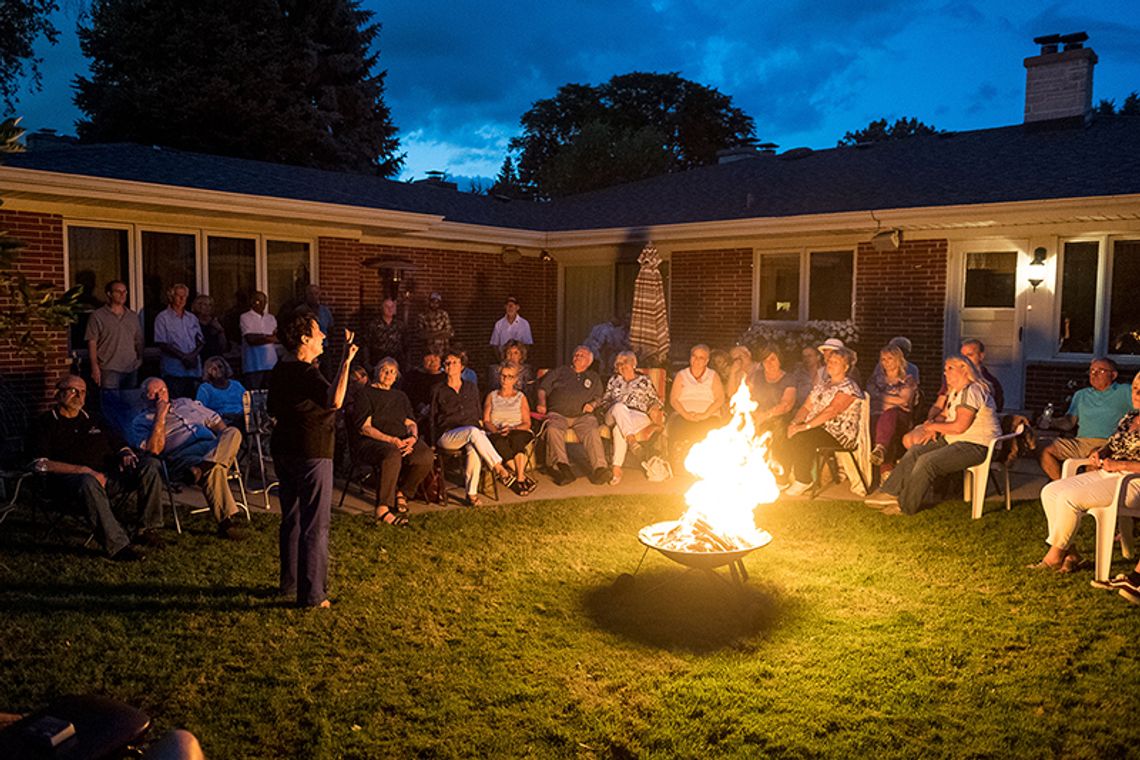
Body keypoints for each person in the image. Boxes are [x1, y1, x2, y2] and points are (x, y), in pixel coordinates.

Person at [268, 316, 358, 608]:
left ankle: (289, 584)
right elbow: (335, 401)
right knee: (315, 525)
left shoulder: (280, 370)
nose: (322, 336)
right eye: (317, 331)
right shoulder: (306, 374)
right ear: (304, 339)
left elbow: (272, 410)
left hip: (284, 450)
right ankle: (312, 595)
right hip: (312, 451)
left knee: (292, 519)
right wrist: (346, 361)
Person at [28, 376, 163, 560]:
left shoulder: (95, 419)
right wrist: (83, 470)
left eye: (82, 391)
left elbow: (119, 443)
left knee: (150, 464)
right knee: (88, 481)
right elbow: (39, 463)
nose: (79, 395)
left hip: (109, 477)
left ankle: (147, 529)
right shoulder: (44, 423)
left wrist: (126, 454)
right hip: (71, 485)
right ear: (57, 394)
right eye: (73, 390)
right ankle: (119, 547)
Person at [867, 353, 1001, 515]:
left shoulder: (972, 391)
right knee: (916, 451)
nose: (945, 373)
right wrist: (930, 425)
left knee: (927, 462)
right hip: (956, 441)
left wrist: (934, 428)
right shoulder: (956, 392)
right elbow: (944, 414)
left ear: (964, 369)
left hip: (977, 445)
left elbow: (959, 426)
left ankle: (906, 506)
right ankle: (889, 492)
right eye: (945, 369)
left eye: (950, 368)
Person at [1034, 373, 1140, 577]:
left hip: (1132, 480)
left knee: (1069, 498)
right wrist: (1101, 453)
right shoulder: (1130, 417)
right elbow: (1113, 443)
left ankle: (1054, 556)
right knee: (1051, 491)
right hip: (1110, 472)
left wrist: (1120, 464)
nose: (1136, 393)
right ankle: (1071, 552)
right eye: (1135, 388)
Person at [131, 377, 246, 540]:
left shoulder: (186, 403)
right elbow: (153, 451)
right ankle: (226, 523)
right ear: (144, 398)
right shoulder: (141, 421)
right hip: (182, 456)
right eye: (153, 393)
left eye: (162, 391)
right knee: (215, 469)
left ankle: (204, 467)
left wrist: (223, 444)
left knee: (232, 432)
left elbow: (216, 421)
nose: (159, 396)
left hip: (210, 447)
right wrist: (160, 416)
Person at [350, 357, 433, 524]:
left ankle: (403, 492)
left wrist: (413, 438)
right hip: (374, 441)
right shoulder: (365, 393)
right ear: (376, 372)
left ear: (396, 377)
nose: (388, 375)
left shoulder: (400, 396)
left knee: (425, 456)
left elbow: (410, 423)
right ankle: (382, 508)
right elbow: (365, 428)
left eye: (392, 372)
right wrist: (391, 440)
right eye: (384, 370)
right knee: (392, 454)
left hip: (401, 439)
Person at [431, 350, 516, 506]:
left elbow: (477, 412)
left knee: (474, 447)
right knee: (473, 432)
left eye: (454, 362)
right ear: (444, 367)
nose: (451, 365)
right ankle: (499, 468)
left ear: (461, 366)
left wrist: (481, 433)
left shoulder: (470, 387)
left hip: (470, 434)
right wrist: (431, 443)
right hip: (447, 435)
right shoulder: (438, 389)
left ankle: (471, 495)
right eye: (447, 363)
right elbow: (432, 417)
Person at [778, 347, 863, 496]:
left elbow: (831, 411)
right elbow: (806, 406)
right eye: (830, 361)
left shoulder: (849, 387)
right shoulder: (823, 385)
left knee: (803, 437)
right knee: (783, 431)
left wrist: (804, 427)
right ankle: (782, 476)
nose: (830, 364)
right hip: (816, 428)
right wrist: (795, 423)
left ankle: (803, 480)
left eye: (836, 362)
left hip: (838, 433)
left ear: (846, 367)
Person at [1039, 357, 1134, 480]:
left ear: (1113, 375)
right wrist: (1049, 422)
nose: (1094, 374)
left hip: (1107, 443)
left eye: (1101, 371)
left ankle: (1080, 493)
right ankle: (1063, 486)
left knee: (1093, 459)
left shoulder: (1125, 391)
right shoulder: (1081, 395)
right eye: (1091, 371)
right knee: (1043, 447)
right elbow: (1069, 423)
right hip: (1080, 442)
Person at [536, 345, 609, 486]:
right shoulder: (560, 371)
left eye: (581, 355)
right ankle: (563, 468)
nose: (577, 357)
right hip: (558, 414)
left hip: (582, 416)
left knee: (592, 431)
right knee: (552, 429)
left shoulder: (593, 377)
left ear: (589, 361)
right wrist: (542, 403)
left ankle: (600, 469)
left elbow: (600, 397)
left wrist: (593, 404)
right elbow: (542, 388)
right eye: (576, 354)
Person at [598, 351, 663, 486]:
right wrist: (612, 407)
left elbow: (656, 400)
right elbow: (604, 401)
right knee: (619, 407)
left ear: (634, 364)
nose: (622, 365)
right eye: (619, 363)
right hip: (614, 413)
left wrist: (654, 408)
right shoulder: (614, 380)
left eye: (625, 362)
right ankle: (633, 443)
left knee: (618, 430)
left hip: (638, 415)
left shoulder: (644, 380)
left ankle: (616, 469)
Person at [921, 338, 1004, 425]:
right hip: (946, 421)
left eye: (969, 355)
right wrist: (930, 421)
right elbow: (939, 405)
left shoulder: (986, 385)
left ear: (981, 356)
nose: (964, 359)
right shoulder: (952, 379)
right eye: (962, 356)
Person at [666, 344, 726, 465]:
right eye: (694, 356)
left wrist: (705, 414)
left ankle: (706, 464)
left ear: (706, 361)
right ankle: (677, 464)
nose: (697, 360)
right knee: (677, 426)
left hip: (708, 415)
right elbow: (673, 399)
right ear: (690, 358)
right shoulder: (681, 375)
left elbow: (720, 399)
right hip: (683, 414)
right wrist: (686, 414)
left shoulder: (713, 375)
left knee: (708, 429)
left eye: (701, 358)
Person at [483, 361, 536, 495]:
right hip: (497, 430)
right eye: (503, 376)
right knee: (499, 442)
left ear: (516, 379)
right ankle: (522, 478)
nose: (505, 379)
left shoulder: (520, 397)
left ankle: (518, 479)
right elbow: (486, 420)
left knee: (518, 439)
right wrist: (496, 430)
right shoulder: (492, 396)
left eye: (510, 376)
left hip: (517, 430)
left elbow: (527, 423)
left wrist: (512, 429)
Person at [867, 344, 919, 470]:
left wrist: (881, 397)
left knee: (889, 414)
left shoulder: (908, 380)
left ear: (898, 359)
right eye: (883, 359)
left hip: (899, 417)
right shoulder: (875, 379)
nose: (886, 362)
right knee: (876, 421)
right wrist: (894, 399)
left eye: (890, 358)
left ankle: (882, 455)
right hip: (877, 415)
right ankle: (883, 462)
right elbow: (869, 395)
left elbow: (905, 401)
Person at [85, 279, 142, 393]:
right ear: (109, 294)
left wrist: (140, 359)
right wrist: (94, 366)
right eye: (118, 291)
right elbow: (92, 342)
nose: (122, 295)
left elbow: (138, 340)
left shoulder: (132, 316)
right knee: (111, 403)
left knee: (129, 403)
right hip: (109, 368)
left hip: (130, 368)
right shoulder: (98, 316)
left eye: (125, 292)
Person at [154, 283, 203, 400]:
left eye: (185, 296)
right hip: (174, 371)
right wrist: (183, 357)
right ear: (171, 297)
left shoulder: (192, 318)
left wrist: (193, 356)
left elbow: (200, 340)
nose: (182, 299)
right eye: (179, 296)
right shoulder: (162, 318)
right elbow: (162, 343)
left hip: (193, 371)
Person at [748, 344, 797, 442]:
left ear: (779, 360)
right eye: (765, 361)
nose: (769, 363)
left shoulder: (789, 379)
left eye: (772, 359)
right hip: (755, 417)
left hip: (777, 420)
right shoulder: (757, 376)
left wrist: (765, 415)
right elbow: (747, 397)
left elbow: (786, 405)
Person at [240, 291, 278, 390]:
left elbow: (278, 337)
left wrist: (262, 337)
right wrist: (270, 338)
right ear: (252, 302)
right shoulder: (245, 317)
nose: (261, 304)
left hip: (271, 363)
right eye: (258, 301)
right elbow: (251, 340)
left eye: (264, 301)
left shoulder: (271, 318)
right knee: (253, 394)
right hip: (253, 364)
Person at [195, 356, 247, 428]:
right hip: (220, 422)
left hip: (242, 419)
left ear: (225, 368)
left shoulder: (236, 385)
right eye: (213, 368)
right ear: (208, 371)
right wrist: (223, 415)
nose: (217, 370)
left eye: (220, 367)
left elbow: (247, 403)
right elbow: (201, 410)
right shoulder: (205, 388)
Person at [403, 350, 446, 425]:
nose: (432, 362)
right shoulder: (412, 376)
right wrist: (420, 407)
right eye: (429, 359)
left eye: (435, 359)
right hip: (417, 415)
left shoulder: (446, 377)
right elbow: (408, 395)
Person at [489, 339, 536, 403]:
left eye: (516, 353)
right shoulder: (496, 370)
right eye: (509, 353)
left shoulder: (527, 370)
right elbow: (495, 389)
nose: (512, 356)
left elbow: (529, 392)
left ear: (521, 355)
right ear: (505, 355)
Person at [583, 313, 630, 378]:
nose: (626, 321)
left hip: (592, 353)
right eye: (625, 319)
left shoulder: (603, 327)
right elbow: (608, 343)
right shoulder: (609, 330)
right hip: (595, 354)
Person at [489, 295, 533, 360]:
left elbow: (528, 344)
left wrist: (521, 360)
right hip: (503, 360)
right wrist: (500, 360)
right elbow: (494, 344)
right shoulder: (499, 324)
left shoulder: (524, 324)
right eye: (508, 305)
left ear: (517, 307)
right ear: (505, 307)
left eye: (513, 305)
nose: (510, 307)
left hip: (519, 361)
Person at [367, 298, 405, 367]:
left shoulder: (400, 325)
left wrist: (406, 363)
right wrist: (367, 364)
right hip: (378, 361)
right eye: (387, 306)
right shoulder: (373, 324)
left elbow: (406, 344)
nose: (390, 309)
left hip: (397, 362)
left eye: (392, 307)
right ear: (382, 308)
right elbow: (366, 344)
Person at [191, 294, 229, 361]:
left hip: (215, 359)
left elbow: (224, 347)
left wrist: (220, 330)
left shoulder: (215, 322)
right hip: (199, 358)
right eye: (205, 305)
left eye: (210, 305)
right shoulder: (192, 322)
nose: (208, 308)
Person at [417, 291, 453, 357]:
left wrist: (430, 334)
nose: (435, 304)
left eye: (437, 302)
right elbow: (421, 335)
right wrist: (441, 332)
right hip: (428, 351)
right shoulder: (422, 316)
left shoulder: (444, 314)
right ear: (429, 302)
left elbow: (449, 333)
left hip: (443, 351)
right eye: (433, 302)